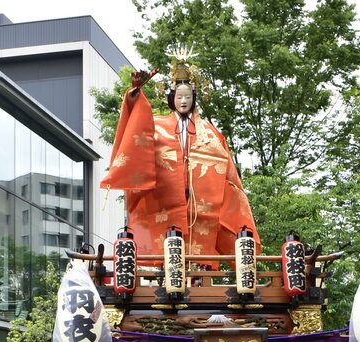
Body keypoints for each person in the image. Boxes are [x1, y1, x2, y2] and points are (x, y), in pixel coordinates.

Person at [100, 55, 258, 257]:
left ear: (194, 98)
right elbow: (135, 129)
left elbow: (229, 177)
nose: (183, 102)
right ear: (171, 98)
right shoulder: (156, 126)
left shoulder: (210, 133)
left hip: (201, 209)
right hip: (165, 201)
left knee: (200, 258)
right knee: (169, 256)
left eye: (188, 97)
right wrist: (135, 93)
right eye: (179, 97)